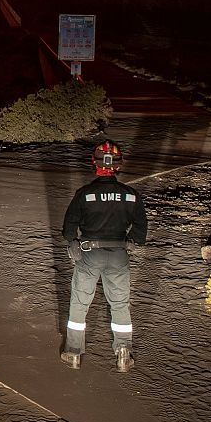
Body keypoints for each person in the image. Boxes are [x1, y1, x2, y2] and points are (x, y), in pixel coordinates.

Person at [60, 140, 146, 371]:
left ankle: (74, 352)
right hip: (118, 254)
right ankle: (123, 352)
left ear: (94, 163)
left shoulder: (84, 194)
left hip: (89, 255)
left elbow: (69, 228)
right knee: (120, 303)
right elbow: (141, 231)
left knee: (80, 302)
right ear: (118, 165)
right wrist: (130, 241)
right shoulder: (131, 195)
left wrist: (73, 241)